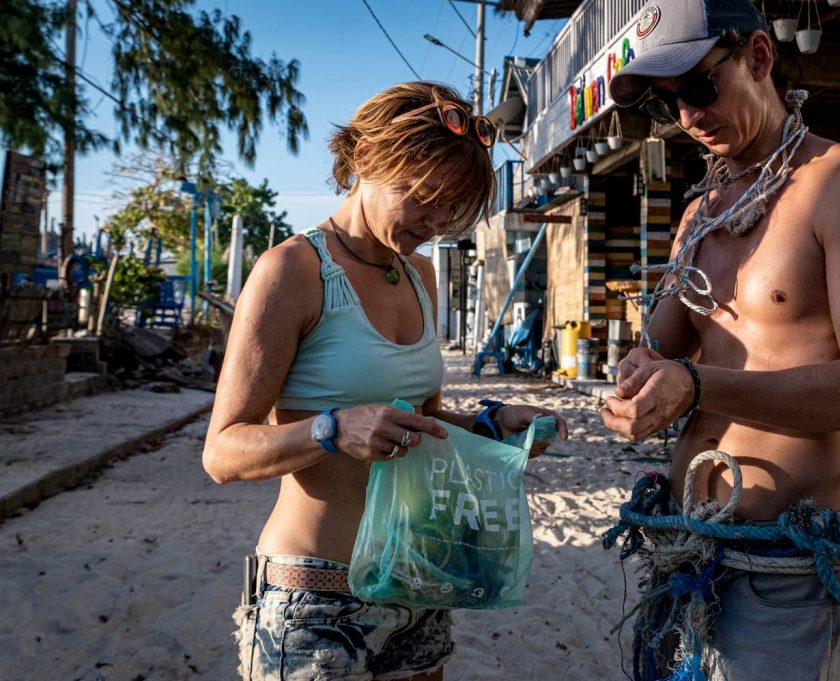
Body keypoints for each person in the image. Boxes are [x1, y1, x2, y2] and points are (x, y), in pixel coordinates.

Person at [202, 81, 568, 681]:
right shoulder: (293, 271)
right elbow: (222, 452)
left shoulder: (421, 273)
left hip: (419, 576)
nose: (439, 219)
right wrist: (331, 429)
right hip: (315, 596)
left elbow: (418, 422)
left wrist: (488, 424)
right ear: (365, 159)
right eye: (424, 196)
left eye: (454, 206)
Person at [599, 2, 840, 680]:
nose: (685, 116)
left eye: (697, 87)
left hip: (786, 564)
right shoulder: (698, 214)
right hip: (685, 548)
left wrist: (699, 384)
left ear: (759, 58)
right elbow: (659, 348)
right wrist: (637, 379)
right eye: (665, 105)